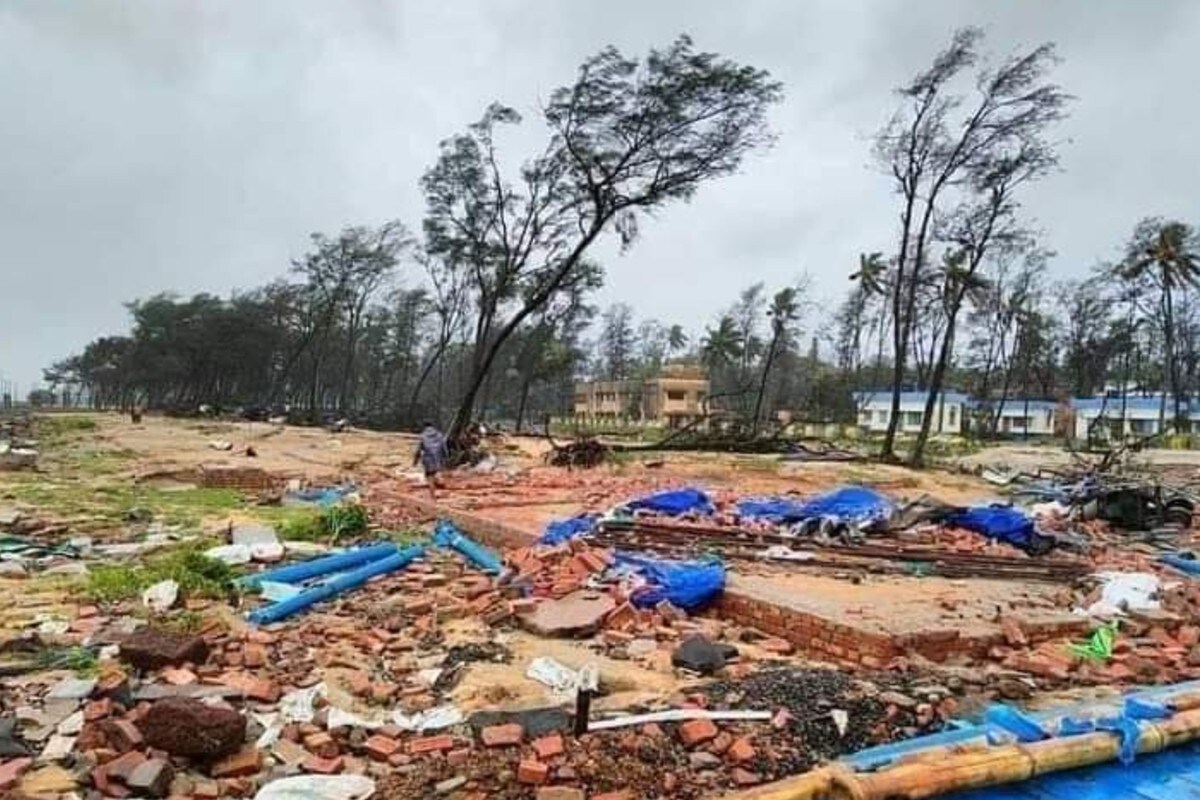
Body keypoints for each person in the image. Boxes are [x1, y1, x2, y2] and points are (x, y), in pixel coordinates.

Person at [414, 422, 449, 500]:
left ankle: (432, 495)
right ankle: (439, 479)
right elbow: (444, 448)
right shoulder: (439, 435)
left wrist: (415, 461)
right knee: (436, 472)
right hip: (438, 459)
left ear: (424, 427)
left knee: (430, 477)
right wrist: (446, 458)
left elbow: (418, 450)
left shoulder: (423, 436)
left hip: (428, 459)